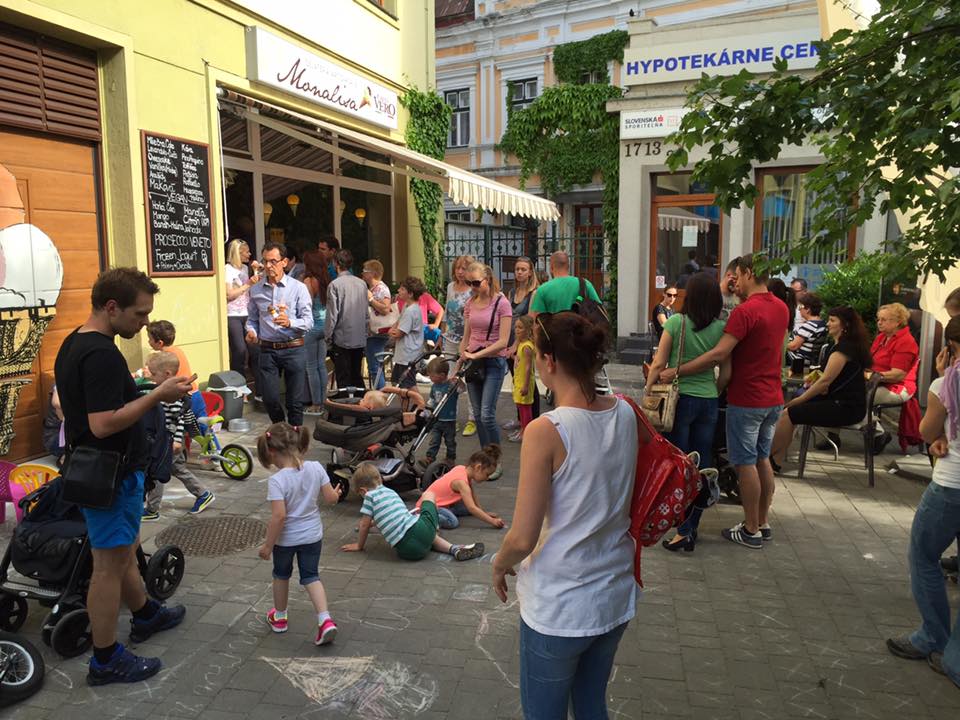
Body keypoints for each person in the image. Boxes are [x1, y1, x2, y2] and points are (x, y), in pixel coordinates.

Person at [492, 311, 638, 717]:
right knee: (591, 705)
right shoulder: (626, 413)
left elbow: (523, 537)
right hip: (613, 591)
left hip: (561, 605)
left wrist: (499, 563)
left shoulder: (546, 430)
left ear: (549, 361)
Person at [55, 267, 191, 685]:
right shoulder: (100, 354)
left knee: (125, 549)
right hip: (108, 475)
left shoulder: (76, 342)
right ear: (111, 307)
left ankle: (146, 614)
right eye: (140, 313)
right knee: (107, 566)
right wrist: (158, 395)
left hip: (109, 472)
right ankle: (105, 659)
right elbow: (102, 424)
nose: (145, 323)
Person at [660, 254, 788, 550]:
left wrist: (677, 371)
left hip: (747, 398)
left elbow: (719, 355)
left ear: (748, 273)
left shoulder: (745, 312)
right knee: (762, 459)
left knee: (744, 463)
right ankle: (762, 522)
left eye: (737, 276)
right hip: (773, 397)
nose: (735, 282)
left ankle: (751, 529)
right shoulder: (781, 307)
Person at [886, 315, 960, 690]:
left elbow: (927, 430)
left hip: (951, 485)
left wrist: (943, 379)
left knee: (923, 555)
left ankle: (934, 636)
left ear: (951, 347)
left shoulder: (946, 383)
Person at [647, 273, 729, 552]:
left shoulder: (676, 323)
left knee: (681, 465)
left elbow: (659, 363)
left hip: (679, 401)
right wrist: (713, 391)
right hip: (708, 401)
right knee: (703, 465)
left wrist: (648, 390)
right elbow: (726, 372)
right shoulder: (722, 329)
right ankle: (691, 526)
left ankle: (682, 529)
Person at [256, 422, 341, 645]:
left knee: (281, 575)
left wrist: (268, 545)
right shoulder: (316, 467)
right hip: (312, 535)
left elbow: (279, 517)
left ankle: (280, 618)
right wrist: (337, 494)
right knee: (311, 576)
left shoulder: (277, 480)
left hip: (286, 540)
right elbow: (330, 498)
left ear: (271, 452)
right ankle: (325, 620)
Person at [769, 306, 872, 471]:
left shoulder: (843, 349)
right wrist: (813, 381)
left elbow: (825, 381)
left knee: (789, 413)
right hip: (843, 403)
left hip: (846, 407)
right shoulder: (843, 346)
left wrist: (800, 399)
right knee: (790, 413)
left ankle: (768, 459)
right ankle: (774, 460)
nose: (828, 324)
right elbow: (826, 378)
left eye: (832, 320)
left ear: (845, 325)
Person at [341, 463, 484, 561]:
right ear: (380, 480)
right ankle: (452, 547)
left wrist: (359, 545)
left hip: (407, 552)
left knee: (419, 535)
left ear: (363, 491)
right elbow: (392, 514)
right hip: (421, 531)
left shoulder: (369, 497)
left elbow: (366, 524)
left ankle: (450, 546)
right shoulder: (390, 492)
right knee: (429, 495)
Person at [141, 352, 214, 521]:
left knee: (156, 471)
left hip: (168, 441)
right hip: (167, 440)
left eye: (154, 374)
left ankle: (152, 509)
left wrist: (176, 440)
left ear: (167, 374)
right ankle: (203, 494)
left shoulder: (171, 396)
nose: (151, 377)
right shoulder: (165, 391)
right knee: (177, 469)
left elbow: (179, 418)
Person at [246, 243, 313, 426]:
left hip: (293, 348)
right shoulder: (256, 290)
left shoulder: (298, 288)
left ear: (284, 262)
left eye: (273, 261)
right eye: (265, 261)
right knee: (269, 399)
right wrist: (251, 331)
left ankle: (295, 435)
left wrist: (290, 322)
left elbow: (308, 321)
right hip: (268, 350)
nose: (268, 266)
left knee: (295, 402)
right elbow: (252, 319)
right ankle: (281, 429)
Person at [460, 262, 512, 451]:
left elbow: (503, 341)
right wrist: (461, 359)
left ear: (487, 279)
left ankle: (495, 457)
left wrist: (477, 355)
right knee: (478, 415)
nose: (472, 287)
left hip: (493, 362)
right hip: (473, 361)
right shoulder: (470, 303)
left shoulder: (502, 303)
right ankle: (486, 455)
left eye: (475, 283)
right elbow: (466, 336)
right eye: (469, 283)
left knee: (486, 415)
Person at [416, 445, 504, 530]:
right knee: (453, 521)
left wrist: (482, 511)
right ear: (478, 467)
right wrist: (492, 521)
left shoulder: (461, 468)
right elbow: (472, 508)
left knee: (468, 508)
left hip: (433, 503)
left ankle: (446, 512)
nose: (487, 478)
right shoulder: (462, 483)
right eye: (487, 474)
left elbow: (472, 494)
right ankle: (424, 517)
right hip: (430, 506)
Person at [443, 254, 478, 437]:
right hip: (450, 339)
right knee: (451, 379)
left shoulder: (473, 290)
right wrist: (442, 333)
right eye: (457, 268)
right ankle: (452, 417)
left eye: (464, 268)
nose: (460, 271)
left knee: (470, 379)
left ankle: (473, 419)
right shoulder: (450, 287)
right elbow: (447, 311)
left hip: (469, 340)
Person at [505, 256, 540, 435]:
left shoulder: (534, 293)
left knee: (528, 383)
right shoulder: (512, 292)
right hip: (511, 342)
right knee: (517, 381)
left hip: (523, 344)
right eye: (517, 269)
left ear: (530, 272)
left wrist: (515, 345)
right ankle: (521, 420)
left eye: (523, 269)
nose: (519, 272)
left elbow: (530, 321)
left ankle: (532, 424)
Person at [325, 249, 368, 390]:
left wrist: (327, 337)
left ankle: (345, 402)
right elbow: (366, 312)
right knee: (356, 375)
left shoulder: (335, 285)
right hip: (359, 337)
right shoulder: (362, 284)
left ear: (336, 263)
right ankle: (361, 400)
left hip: (341, 338)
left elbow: (332, 315)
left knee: (343, 378)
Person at [224, 239, 260, 380]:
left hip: (248, 313)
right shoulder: (227, 269)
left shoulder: (245, 268)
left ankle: (259, 385)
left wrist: (257, 270)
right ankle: (239, 384)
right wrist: (248, 284)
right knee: (239, 350)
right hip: (233, 315)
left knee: (255, 349)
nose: (249, 254)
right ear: (238, 253)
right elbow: (229, 295)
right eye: (246, 252)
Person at [870, 302, 919, 407]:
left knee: (858, 396)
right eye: (878, 319)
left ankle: (866, 419)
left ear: (897, 322)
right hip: (877, 382)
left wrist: (869, 375)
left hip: (898, 387)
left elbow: (897, 375)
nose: (879, 323)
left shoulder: (906, 341)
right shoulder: (881, 337)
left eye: (884, 320)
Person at [529, 251, 600, 319]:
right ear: (568, 266)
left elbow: (535, 319)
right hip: (581, 327)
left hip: (554, 327)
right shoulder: (585, 284)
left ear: (551, 268)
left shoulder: (543, 289)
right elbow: (599, 310)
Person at [301, 250, 330, 413]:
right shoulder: (326, 280)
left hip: (311, 327)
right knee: (321, 365)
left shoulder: (309, 281)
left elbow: (307, 305)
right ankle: (324, 401)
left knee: (311, 367)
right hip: (325, 326)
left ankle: (316, 404)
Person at [390, 276, 427, 389]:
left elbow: (399, 333)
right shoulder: (408, 306)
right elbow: (398, 321)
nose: (398, 291)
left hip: (408, 356)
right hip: (404, 355)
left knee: (409, 384)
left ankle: (417, 400)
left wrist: (391, 332)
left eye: (402, 289)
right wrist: (393, 327)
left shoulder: (411, 311)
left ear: (410, 294)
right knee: (397, 381)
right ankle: (404, 400)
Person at [362, 259, 393, 390]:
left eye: (365, 271)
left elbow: (386, 309)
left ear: (372, 273)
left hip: (377, 333)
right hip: (372, 333)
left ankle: (380, 395)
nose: (362, 274)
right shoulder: (373, 288)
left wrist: (370, 299)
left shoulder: (381, 289)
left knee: (375, 367)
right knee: (373, 367)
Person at [422, 356, 458, 466]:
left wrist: (458, 381)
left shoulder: (451, 386)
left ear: (442, 375)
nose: (430, 378)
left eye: (432, 376)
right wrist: (427, 410)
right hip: (436, 419)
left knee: (450, 441)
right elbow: (432, 400)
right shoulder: (434, 386)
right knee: (434, 440)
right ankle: (430, 457)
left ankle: (450, 458)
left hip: (449, 420)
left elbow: (462, 389)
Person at [146, 320, 197, 391]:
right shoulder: (176, 350)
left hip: (183, 392)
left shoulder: (166, 358)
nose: (148, 342)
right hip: (192, 389)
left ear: (160, 343)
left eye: (150, 339)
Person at [510, 315, 536, 443]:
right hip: (519, 381)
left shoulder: (527, 347)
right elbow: (521, 361)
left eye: (520, 327)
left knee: (525, 408)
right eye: (516, 327)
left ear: (528, 329)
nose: (517, 330)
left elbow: (528, 368)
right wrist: (514, 357)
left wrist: (525, 385)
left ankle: (526, 432)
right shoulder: (521, 345)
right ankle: (522, 429)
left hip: (524, 382)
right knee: (520, 406)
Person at [787, 292, 828, 365]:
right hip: (810, 360)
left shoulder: (809, 326)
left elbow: (794, 346)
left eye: (800, 307)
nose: (799, 310)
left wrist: (783, 345)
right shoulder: (822, 323)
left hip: (798, 361)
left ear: (808, 309)